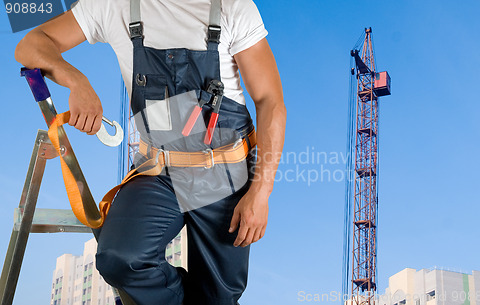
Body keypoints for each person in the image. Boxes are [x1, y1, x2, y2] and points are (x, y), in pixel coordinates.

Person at [15, 0, 286, 304]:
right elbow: (31, 44)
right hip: (158, 171)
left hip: (223, 174)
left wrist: (261, 192)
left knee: (218, 297)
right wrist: (77, 81)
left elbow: (270, 102)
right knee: (120, 258)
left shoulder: (232, 7)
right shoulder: (113, 6)